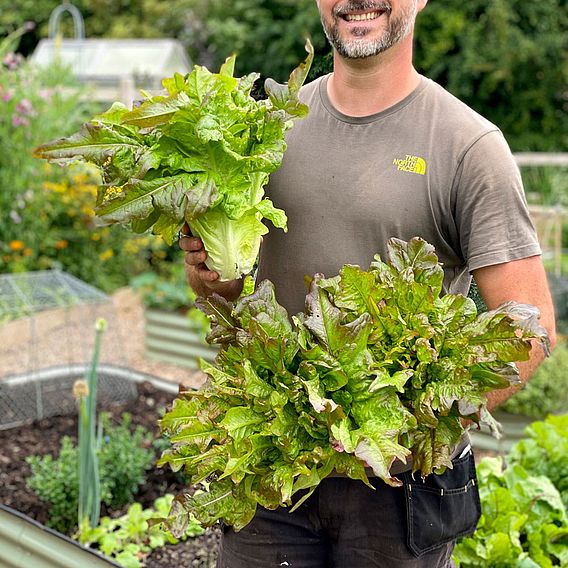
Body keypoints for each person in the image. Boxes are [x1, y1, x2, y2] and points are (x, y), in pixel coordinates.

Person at [180, 1, 557, 566]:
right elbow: (222, 299)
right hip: (272, 466)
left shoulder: (468, 145)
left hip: (401, 489)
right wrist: (211, 278)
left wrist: (410, 427)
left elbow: (532, 328)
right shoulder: (262, 131)